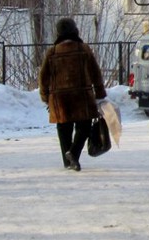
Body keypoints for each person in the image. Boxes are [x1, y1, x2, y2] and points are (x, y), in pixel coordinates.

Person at [39, 17, 106, 172]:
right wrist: (100, 92)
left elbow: (43, 77)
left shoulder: (52, 52)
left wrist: (45, 97)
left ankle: (67, 161)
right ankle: (74, 153)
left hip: (59, 98)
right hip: (81, 97)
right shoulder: (83, 49)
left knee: (63, 129)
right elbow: (95, 72)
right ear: (75, 30)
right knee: (84, 127)